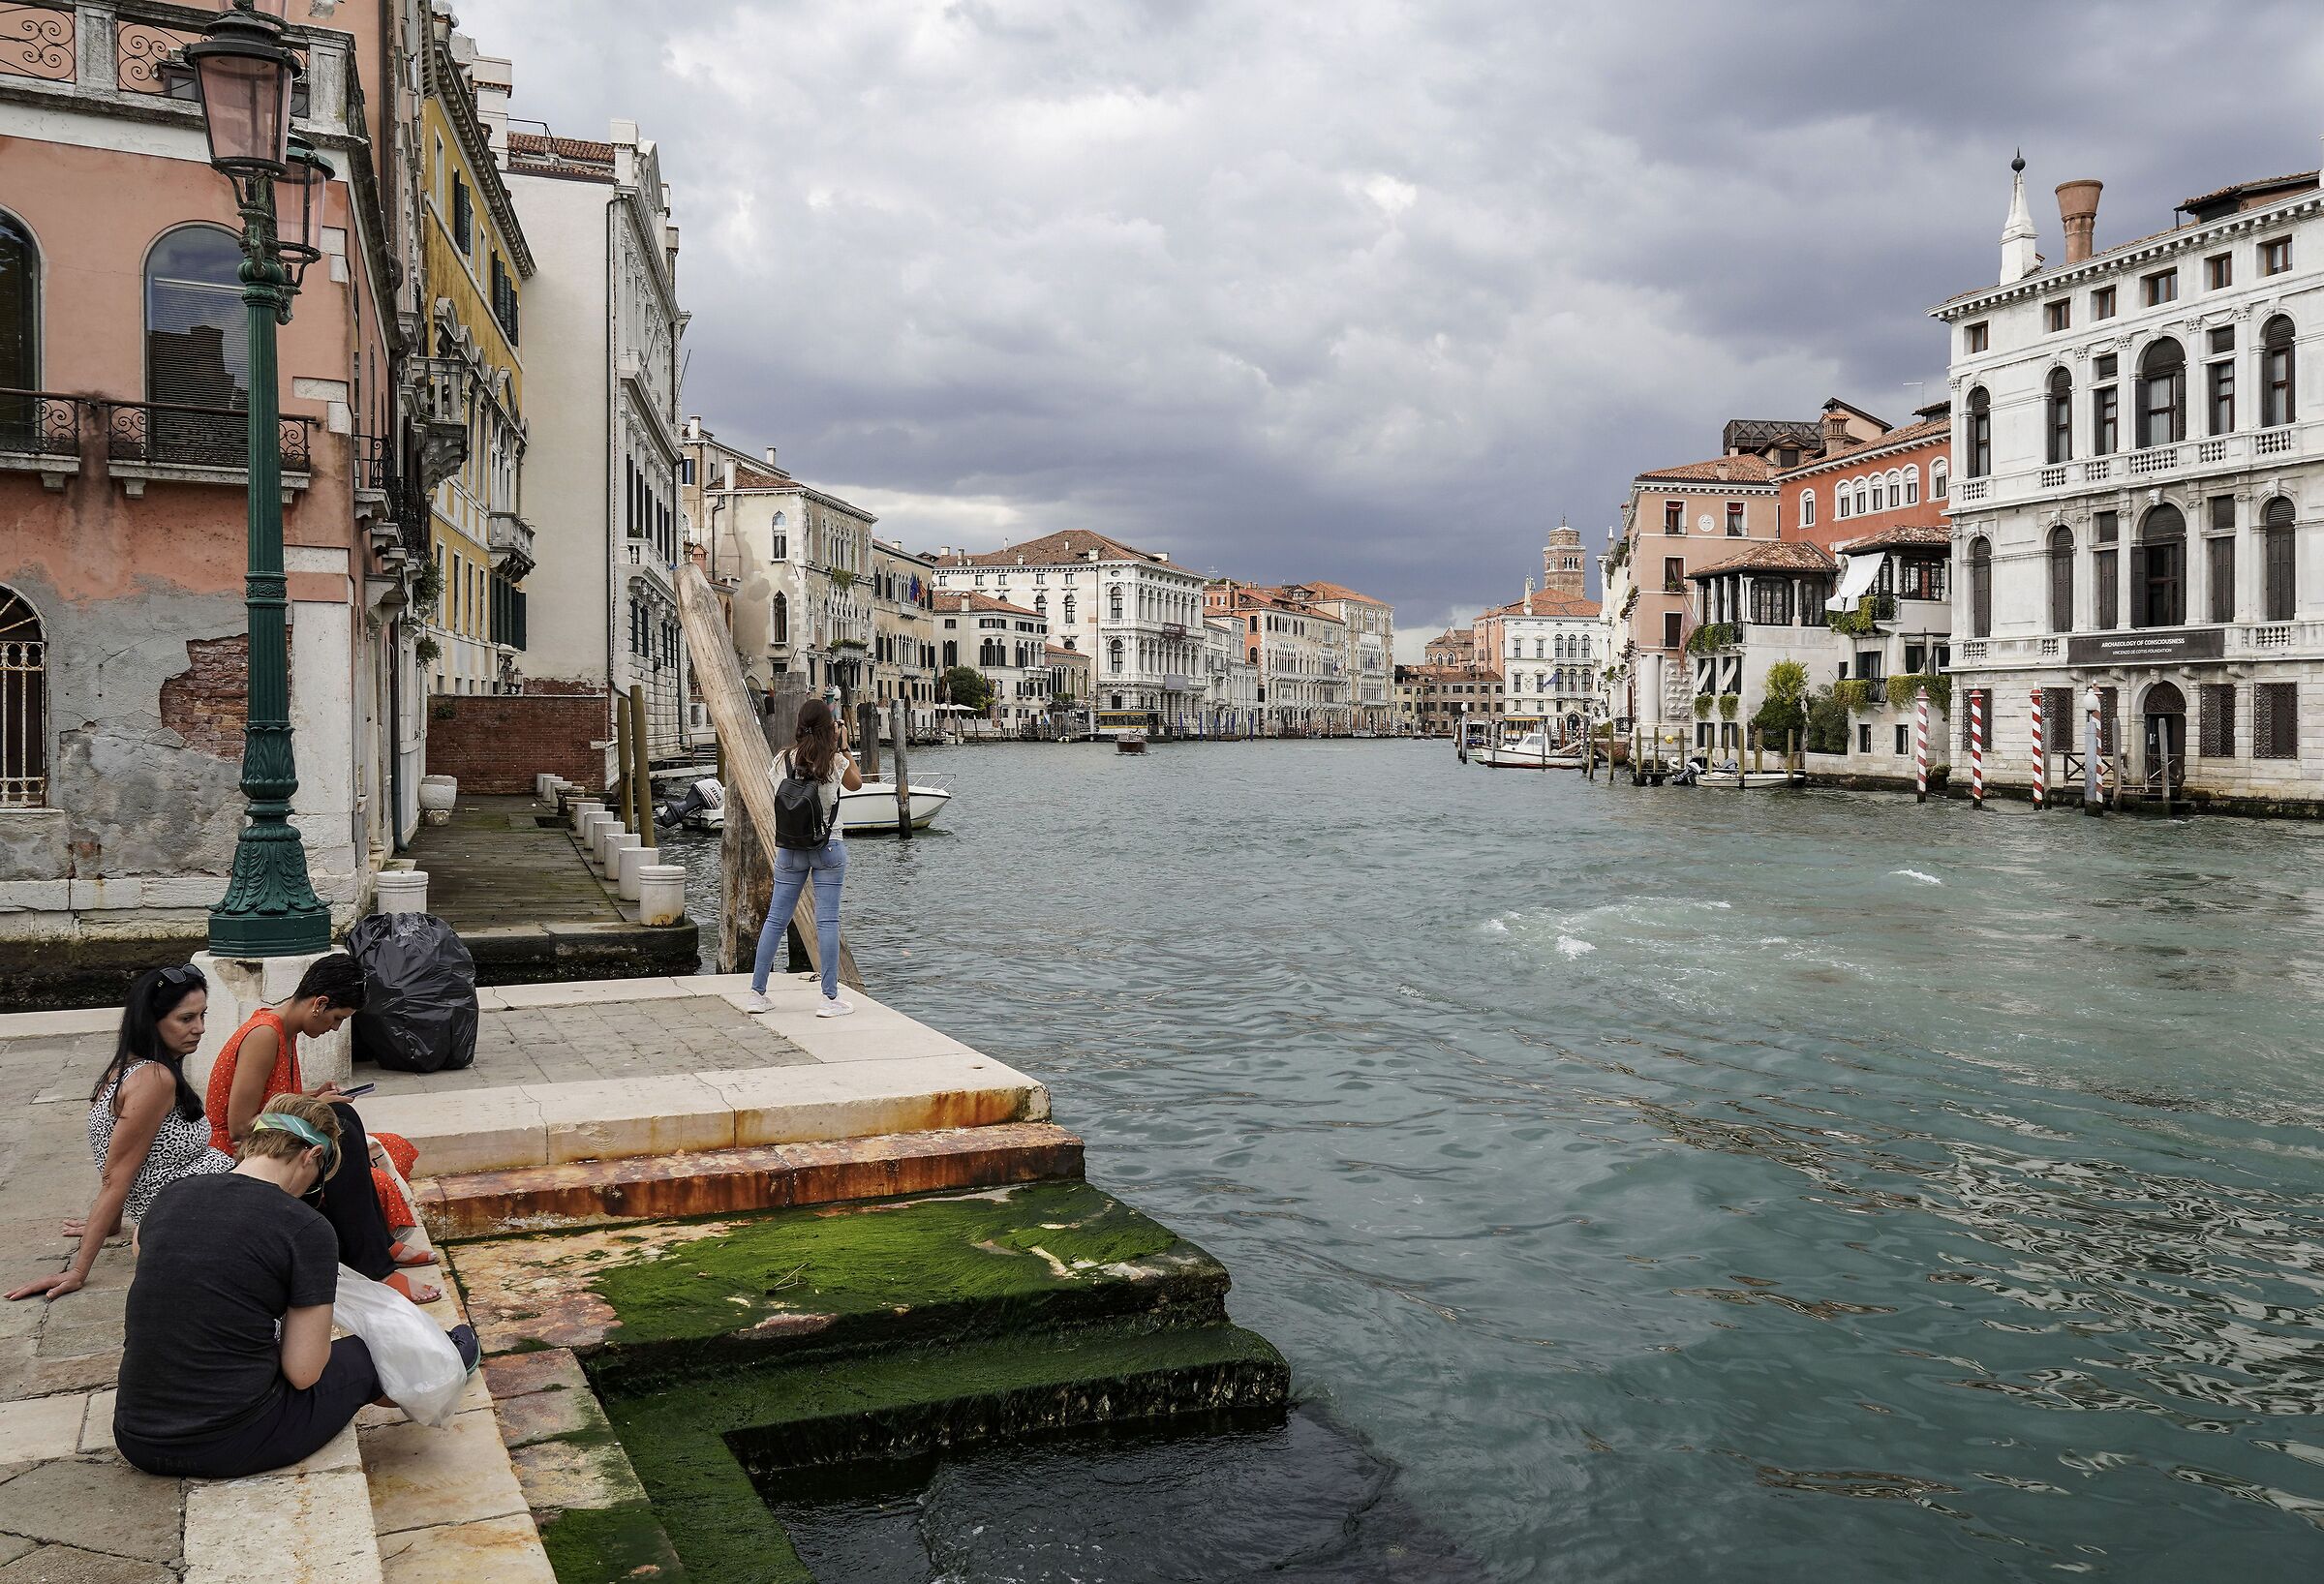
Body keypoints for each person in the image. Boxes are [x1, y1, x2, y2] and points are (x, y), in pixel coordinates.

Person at [110, 1094, 477, 1479]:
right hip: (231, 1441)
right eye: (320, 1178)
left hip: (138, 1437)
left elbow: (147, 1251)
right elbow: (304, 1372)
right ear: (311, 1156)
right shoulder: (304, 1228)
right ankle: (442, 1361)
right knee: (371, 1349)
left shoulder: (172, 1196)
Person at [203, 954, 437, 1302]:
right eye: (337, 1018)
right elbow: (239, 1126)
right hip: (243, 1153)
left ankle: (381, 1246)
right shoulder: (265, 1034)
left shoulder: (283, 1030)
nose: (336, 1027)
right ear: (319, 1004)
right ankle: (376, 1267)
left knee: (353, 1127)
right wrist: (317, 1109)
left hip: (273, 1141)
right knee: (340, 1126)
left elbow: (274, 1100)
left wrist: (314, 1096)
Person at [7, 965, 232, 1303]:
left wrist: (112, 1223)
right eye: (186, 1019)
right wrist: (78, 1270)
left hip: (204, 1193)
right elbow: (117, 1175)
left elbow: (121, 1157)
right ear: (152, 1021)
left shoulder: (126, 1068)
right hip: (199, 1206)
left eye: (203, 1016)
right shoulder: (154, 1079)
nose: (200, 1029)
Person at [747, 697, 861, 1019]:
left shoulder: (783, 759)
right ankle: (829, 999)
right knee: (827, 921)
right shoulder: (835, 761)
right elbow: (856, 784)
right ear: (830, 729)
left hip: (790, 847)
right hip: (828, 847)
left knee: (775, 920)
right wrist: (844, 747)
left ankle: (757, 994)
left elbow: (777, 792)